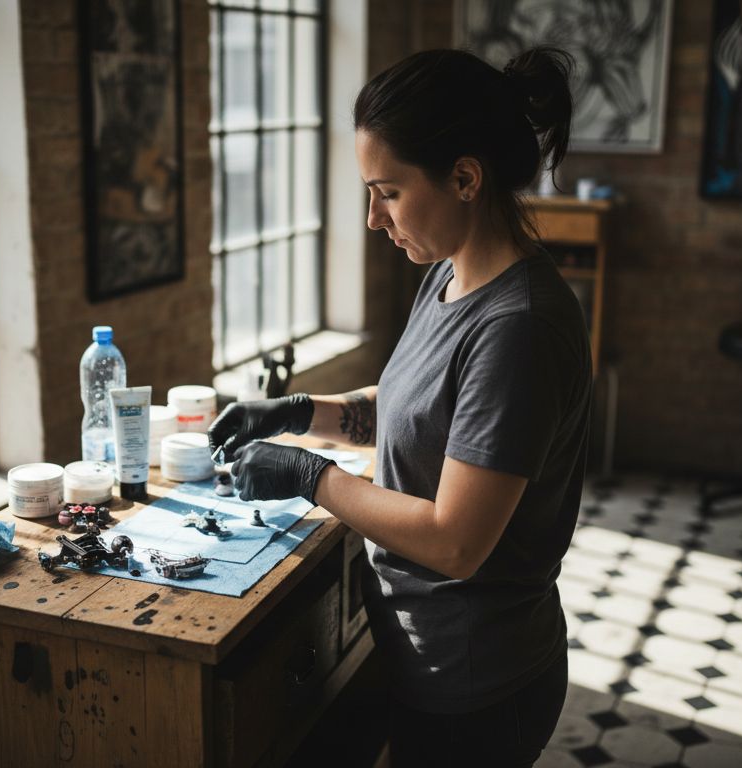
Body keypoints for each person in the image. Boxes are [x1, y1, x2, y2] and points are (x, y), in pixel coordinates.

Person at [208, 47, 590, 767]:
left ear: (465, 178)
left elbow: (455, 542)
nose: (372, 218)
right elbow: (423, 408)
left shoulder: (520, 328)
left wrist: (310, 476)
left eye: (387, 191)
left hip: (478, 684)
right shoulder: (448, 273)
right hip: (426, 657)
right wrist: (299, 412)